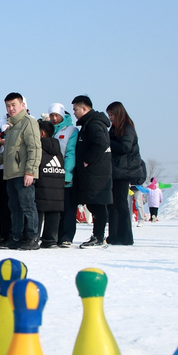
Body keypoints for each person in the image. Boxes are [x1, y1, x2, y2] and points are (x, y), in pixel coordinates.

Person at [0, 93, 42, 250]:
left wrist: (30, 171)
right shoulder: (11, 128)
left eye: (13, 105)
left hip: (23, 173)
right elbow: (8, 152)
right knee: (14, 208)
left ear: (22, 105)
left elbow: (35, 148)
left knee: (28, 206)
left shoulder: (28, 123)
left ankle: (32, 238)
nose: (11, 108)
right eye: (8, 106)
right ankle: (16, 237)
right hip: (10, 174)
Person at [72, 95, 113, 248]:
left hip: (96, 173)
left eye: (76, 109)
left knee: (97, 205)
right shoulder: (88, 124)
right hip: (93, 173)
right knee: (93, 204)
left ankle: (99, 236)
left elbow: (101, 143)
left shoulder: (94, 124)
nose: (74, 113)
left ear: (84, 108)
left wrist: (87, 160)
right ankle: (98, 235)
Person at [106, 101, 145, 245]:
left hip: (124, 171)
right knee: (112, 204)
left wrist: (108, 141)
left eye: (112, 114)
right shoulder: (114, 128)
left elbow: (125, 147)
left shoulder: (127, 127)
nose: (110, 118)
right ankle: (114, 235)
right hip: (116, 169)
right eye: (109, 115)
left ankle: (125, 236)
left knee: (121, 204)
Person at [48, 103, 79, 247]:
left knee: (68, 208)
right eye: (51, 115)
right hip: (51, 175)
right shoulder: (48, 130)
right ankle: (53, 236)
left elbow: (70, 153)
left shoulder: (71, 130)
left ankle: (66, 236)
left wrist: (67, 174)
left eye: (57, 115)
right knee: (54, 209)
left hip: (65, 177)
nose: (54, 118)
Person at [35, 120, 65, 248]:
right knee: (54, 211)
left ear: (41, 133)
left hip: (42, 187)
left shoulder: (39, 149)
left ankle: (34, 237)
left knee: (38, 212)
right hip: (57, 189)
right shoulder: (58, 150)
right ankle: (50, 240)